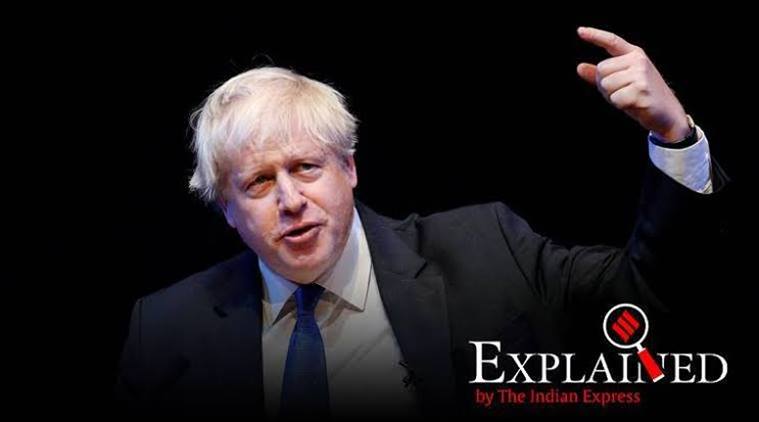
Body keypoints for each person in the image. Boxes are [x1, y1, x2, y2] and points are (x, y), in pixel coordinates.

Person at [116, 27, 728, 419]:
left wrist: (673, 136)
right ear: (226, 208)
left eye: (306, 167)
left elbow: (651, 297)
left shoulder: (487, 251)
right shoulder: (166, 334)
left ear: (349, 168)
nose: (291, 200)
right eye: (257, 183)